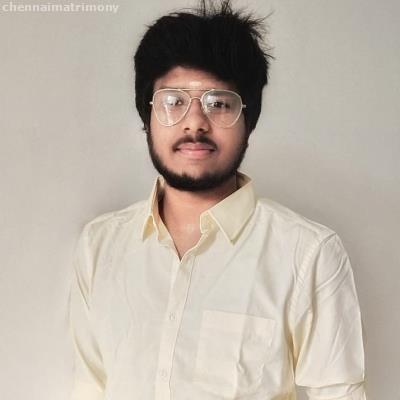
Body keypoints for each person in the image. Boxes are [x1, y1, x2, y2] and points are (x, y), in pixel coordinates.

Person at [69, 1, 366, 399]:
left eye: (219, 103)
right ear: (147, 116)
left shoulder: (307, 254)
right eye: (173, 101)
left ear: (249, 120)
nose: (195, 122)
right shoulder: (99, 245)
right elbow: (90, 387)